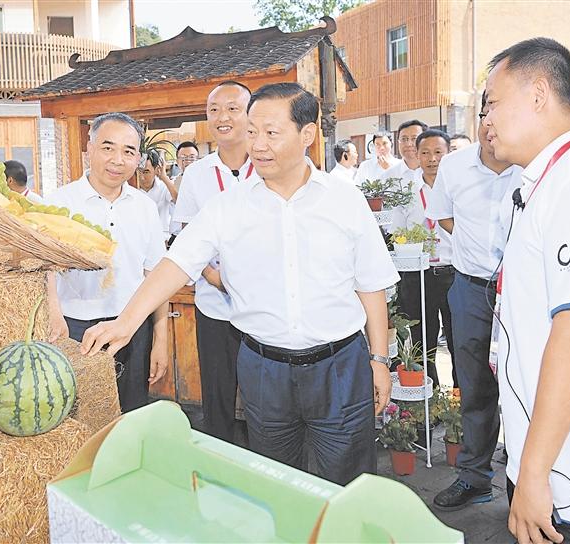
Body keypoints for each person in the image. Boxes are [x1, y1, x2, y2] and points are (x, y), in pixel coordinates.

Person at [82, 83, 399, 486]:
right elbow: (176, 263)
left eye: (271, 132)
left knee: (351, 483)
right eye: (252, 132)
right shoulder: (228, 206)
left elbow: (371, 284)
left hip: (340, 367)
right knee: (276, 484)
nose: (258, 144)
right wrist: (125, 323)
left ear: (307, 134)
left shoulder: (344, 199)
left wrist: (379, 360)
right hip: (263, 370)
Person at [485, 37, 570, 543]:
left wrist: (533, 474)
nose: (486, 119)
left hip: (569, 476)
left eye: (492, 101)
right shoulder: (549, 180)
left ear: (537, 94)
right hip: (547, 459)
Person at [427, 92, 523, 510]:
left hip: (523, 291)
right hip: (469, 289)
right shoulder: (454, 166)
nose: (489, 124)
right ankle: (475, 476)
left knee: (526, 385)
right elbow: (443, 215)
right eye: (486, 112)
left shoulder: (533, 167)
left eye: (499, 113)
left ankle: (526, 480)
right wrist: (473, 250)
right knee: (474, 385)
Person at [45, 112, 168, 413]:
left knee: (129, 414)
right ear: (90, 148)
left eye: (129, 152)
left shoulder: (145, 207)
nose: (117, 160)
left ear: (138, 157)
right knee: (80, 416)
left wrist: (160, 339)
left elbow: (155, 275)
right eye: (108, 147)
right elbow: (44, 268)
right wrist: (53, 314)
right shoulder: (58, 203)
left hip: (133, 326)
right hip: (75, 328)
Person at [170, 80, 254, 443]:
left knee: (265, 402)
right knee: (216, 398)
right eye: (215, 110)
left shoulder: (268, 166)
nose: (223, 117)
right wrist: (213, 276)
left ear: (249, 114)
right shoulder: (197, 173)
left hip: (263, 307)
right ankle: (217, 468)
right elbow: (187, 236)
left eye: (233, 108)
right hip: (213, 304)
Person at [389, 129, 455, 388]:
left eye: (438, 152)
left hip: (451, 271)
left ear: (448, 154)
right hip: (418, 273)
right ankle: (431, 401)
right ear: (416, 155)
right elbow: (397, 231)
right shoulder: (406, 190)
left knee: (457, 339)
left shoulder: (456, 187)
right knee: (421, 340)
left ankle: (461, 400)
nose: (432, 159)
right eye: (425, 153)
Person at [380, 120, 428, 190]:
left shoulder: (437, 172)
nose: (408, 144)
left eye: (414, 138)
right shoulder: (388, 177)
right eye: (404, 139)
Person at [167, 141, 200, 243]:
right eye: (183, 157)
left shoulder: (206, 183)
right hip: (177, 238)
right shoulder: (174, 182)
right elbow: (178, 199)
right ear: (177, 161)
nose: (187, 161)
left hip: (199, 237)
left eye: (191, 157)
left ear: (198, 160)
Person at [137, 149, 174, 241]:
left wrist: (164, 177)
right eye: (139, 171)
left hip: (161, 238)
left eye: (146, 172)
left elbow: (178, 200)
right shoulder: (130, 188)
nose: (141, 177)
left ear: (157, 170)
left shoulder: (164, 187)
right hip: (138, 238)